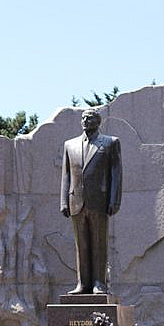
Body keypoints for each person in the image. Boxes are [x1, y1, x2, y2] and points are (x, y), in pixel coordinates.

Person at [60, 109, 122, 294]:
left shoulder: (110, 143)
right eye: (83, 118)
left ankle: (99, 283)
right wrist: (63, 201)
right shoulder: (70, 145)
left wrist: (114, 200)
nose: (85, 120)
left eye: (89, 118)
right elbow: (66, 175)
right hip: (76, 201)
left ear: (98, 121)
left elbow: (116, 174)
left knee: (99, 244)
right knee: (81, 245)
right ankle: (82, 284)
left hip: (100, 201)